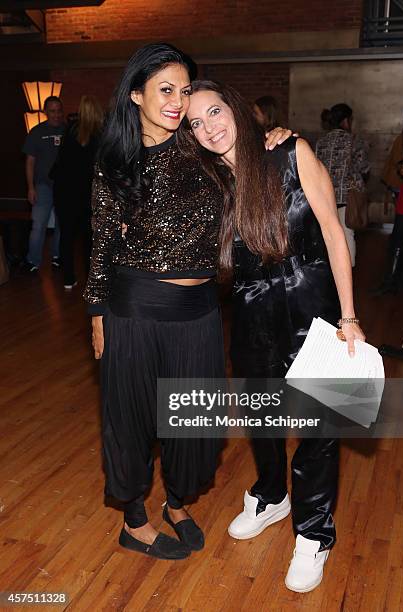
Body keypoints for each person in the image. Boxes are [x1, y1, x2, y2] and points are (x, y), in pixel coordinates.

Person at [84, 42, 290, 561]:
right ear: (137, 95)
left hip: (199, 311)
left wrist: (277, 139)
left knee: (192, 420)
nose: (178, 102)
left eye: (183, 90)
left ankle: (176, 503)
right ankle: (134, 520)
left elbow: (246, 157)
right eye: (165, 90)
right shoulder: (117, 160)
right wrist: (95, 313)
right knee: (131, 418)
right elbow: (102, 241)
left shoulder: (201, 150)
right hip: (134, 307)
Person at [179, 80, 365, 592]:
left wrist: (349, 316)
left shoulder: (289, 151)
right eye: (195, 123)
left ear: (235, 108)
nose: (209, 127)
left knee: (318, 428)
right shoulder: (209, 182)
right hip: (251, 310)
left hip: (314, 304)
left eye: (214, 111)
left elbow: (332, 231)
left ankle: (313, 532)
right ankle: (270, 495)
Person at [53, 95, 104, 289]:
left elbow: (61, 164)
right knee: (89, 240)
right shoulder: (101, 135)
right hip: (87, 196)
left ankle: (68, 278)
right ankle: (90, 280)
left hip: (65, 193)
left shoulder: (70, 131)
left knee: (66, 236)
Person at [316, 103, 370, 267]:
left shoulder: (321, 141)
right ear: (346, 121)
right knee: (347, 236)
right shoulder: (354, 140)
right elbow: (364, 167)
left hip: (325, 198)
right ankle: (347, 275)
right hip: (347, 197)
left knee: (327, 238)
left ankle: (330, 275)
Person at [22, 96, 65, 273]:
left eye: (58, 111)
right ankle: (33, 261)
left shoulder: (68, 131)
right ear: (46, 112)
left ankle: (57, 256)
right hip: (42, 186)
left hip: (64, 187)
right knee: (38, 225)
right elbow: (30, 162)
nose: (56, 115)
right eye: (52, 111)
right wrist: (30, 187)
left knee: (62, 225)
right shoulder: (36, 132)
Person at [374, 106, 403, 294]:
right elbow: (397, 165)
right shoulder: (402, 140)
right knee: (398, 239)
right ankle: (391, 281)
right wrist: (401, 169)